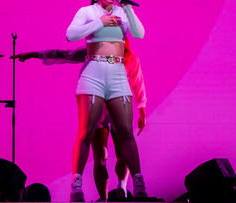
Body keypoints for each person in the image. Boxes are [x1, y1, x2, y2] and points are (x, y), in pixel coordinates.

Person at [12, 37, 147, 201]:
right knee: (101, 157)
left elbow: (138, 83)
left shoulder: (130, 58)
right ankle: (103, 198)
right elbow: (64, 54)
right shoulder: (91, 54)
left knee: (122, 152)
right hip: (98, 111)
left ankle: (122, 188)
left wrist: (142, 110)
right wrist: (36, 54)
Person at [66, 0, 147, 201]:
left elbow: (140, 33)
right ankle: (76, 184)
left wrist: (129, 9)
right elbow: (70, 35)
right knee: (86, 132)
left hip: (118, 73)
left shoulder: (121, 11)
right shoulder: (87, 12)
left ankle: (138, 182)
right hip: (93, 71)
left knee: (126, 132)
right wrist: (99, 22)